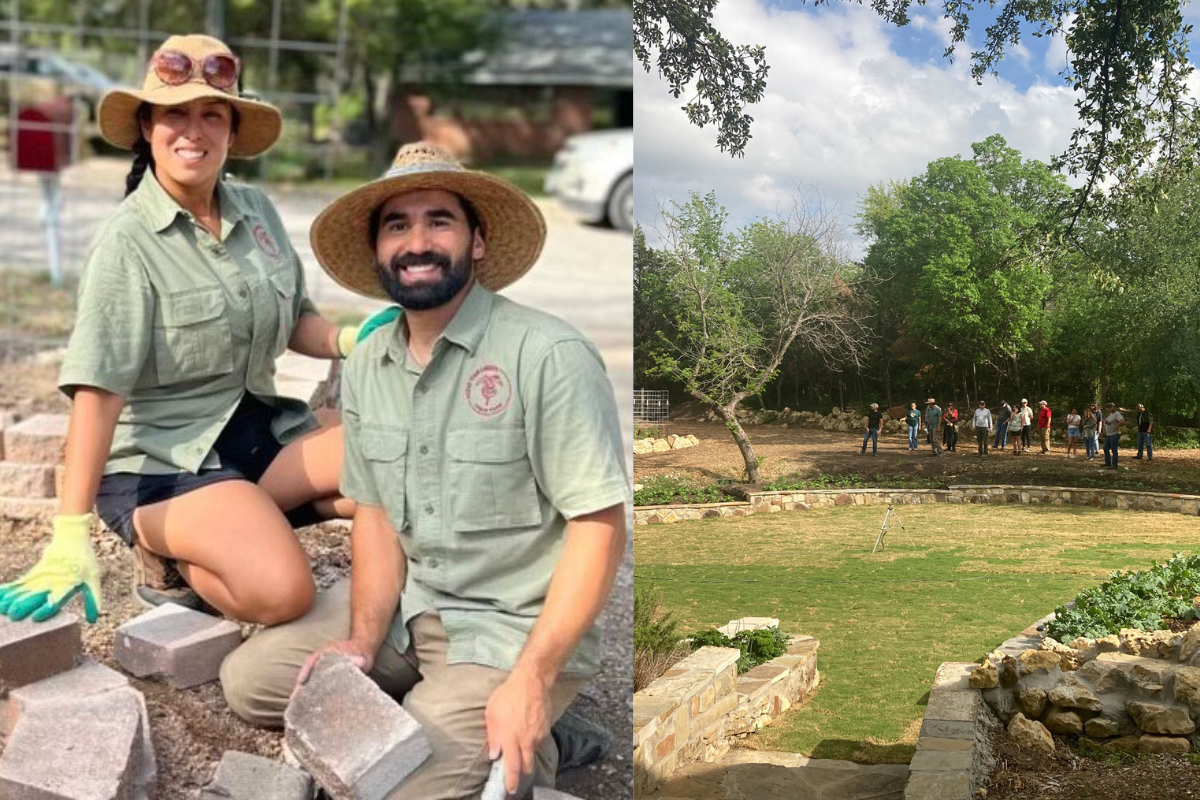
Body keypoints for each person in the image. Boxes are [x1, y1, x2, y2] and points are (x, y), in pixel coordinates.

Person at [218, 142, 629, 798]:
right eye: (396, 225)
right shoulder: (374, 358)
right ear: (379, 250)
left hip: (510, 627)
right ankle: (511, 734)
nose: (418, 242)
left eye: (439, 220)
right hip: (414, 607)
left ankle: (526, 739)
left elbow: (599, 525)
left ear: (478, 242)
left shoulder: (549, 355)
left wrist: (532, 678)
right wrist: (360, 639)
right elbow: (375, 512)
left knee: (407, 785)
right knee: (253, 682)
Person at [0, 35, 374, 625]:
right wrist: (68, 532)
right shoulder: (126, 244)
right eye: (175, 114)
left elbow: (295, 316)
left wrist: (348, 341)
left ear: (232, 131)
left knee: (391, 465)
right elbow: (98, 394)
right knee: (283, 593)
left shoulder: (255, 210)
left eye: (212, 115)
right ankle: (168, 547)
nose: (193, 132)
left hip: (249, 430)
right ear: (147, 127)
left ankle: (239, 519)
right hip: (158, 463)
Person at [1102, 402, 1125, 468]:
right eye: (1109, 407)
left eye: (1111, 407)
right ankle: (1108, 462)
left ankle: (1114, 464)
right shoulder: (1111, 414)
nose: (1110, 408)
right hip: (1109, 434)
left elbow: (1122, 420)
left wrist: (1117, 426)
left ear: (1114, 407)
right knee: (1105, 448)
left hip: (1114, 434)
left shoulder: (1117, 414)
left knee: (1114, 449)